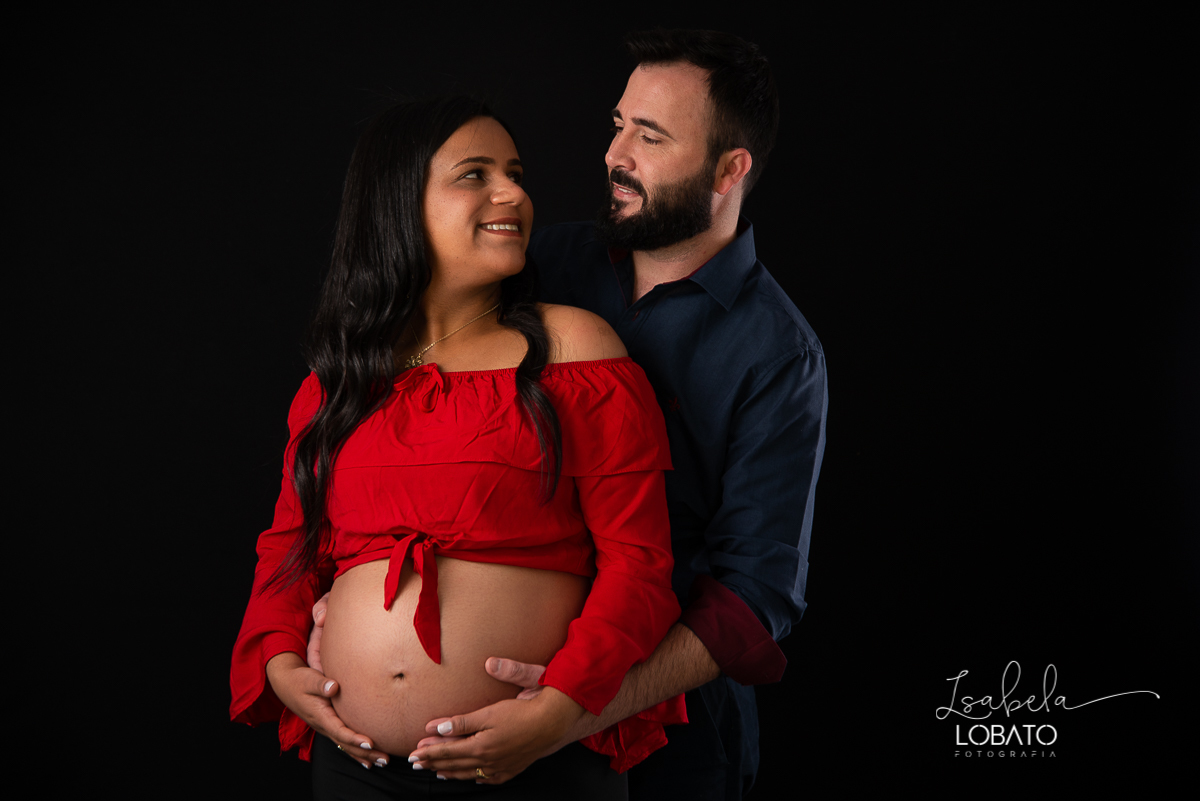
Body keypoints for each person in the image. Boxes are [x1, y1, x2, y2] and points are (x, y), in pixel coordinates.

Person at [399, 30, 828, 800]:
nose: (614, 154)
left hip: (671, 741)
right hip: (492, 721)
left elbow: (755, 593)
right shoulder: (540, 266)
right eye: (618, 124)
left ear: (731, 169)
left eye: (651, 136)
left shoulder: (779, 354)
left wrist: (576, 711)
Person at [229, 96, 687, 799]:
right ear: (398, 203)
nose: (514, 193)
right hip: (361, 769)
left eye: (515, 172)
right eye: (474, 173)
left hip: (536, 759)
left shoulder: (573, 349)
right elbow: (290, 550)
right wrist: (282, 663)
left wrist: (559, 710)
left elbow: (639, 563)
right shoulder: (340, 381)